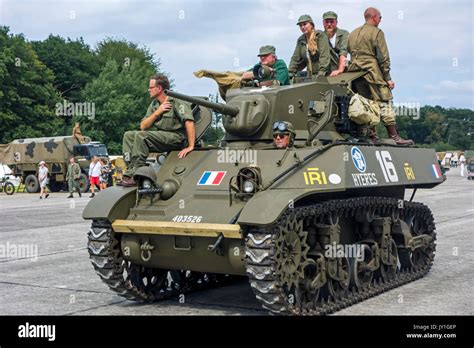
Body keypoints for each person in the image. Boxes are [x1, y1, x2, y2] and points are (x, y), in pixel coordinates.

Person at [347, 7, 413, 146]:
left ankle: (372, 136)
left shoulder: (352, 34)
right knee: (384, 101)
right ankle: (394, 137)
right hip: (372, 71)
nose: (380, 20)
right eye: (380, 17)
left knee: (366, 104)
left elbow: (348, 51)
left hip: (354, 74)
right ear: (375, 17)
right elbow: (383, 57)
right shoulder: (377, 32)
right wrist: (387, 77)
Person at [119, 74, 195, 187]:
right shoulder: (155, 104)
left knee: (141, 136)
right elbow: (143, 126)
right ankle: (130, 171)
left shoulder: (177, 101)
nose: (148, 90)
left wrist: (190, 146)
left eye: (150, 87)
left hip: (177, 138)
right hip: (163, 137)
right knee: (128, 135)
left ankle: (136, 174)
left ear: (159, 88)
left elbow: (189, 122)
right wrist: (157, 112)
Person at [321, 11, 349, 77]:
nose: (329, 24)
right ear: (323, 23)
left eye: (332, 21)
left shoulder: (344, 34)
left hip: (343, 69)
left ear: (336, 22)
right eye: (327, 22)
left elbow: (343, 52)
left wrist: (340, 70)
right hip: (327, 72)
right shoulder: (321, 37)